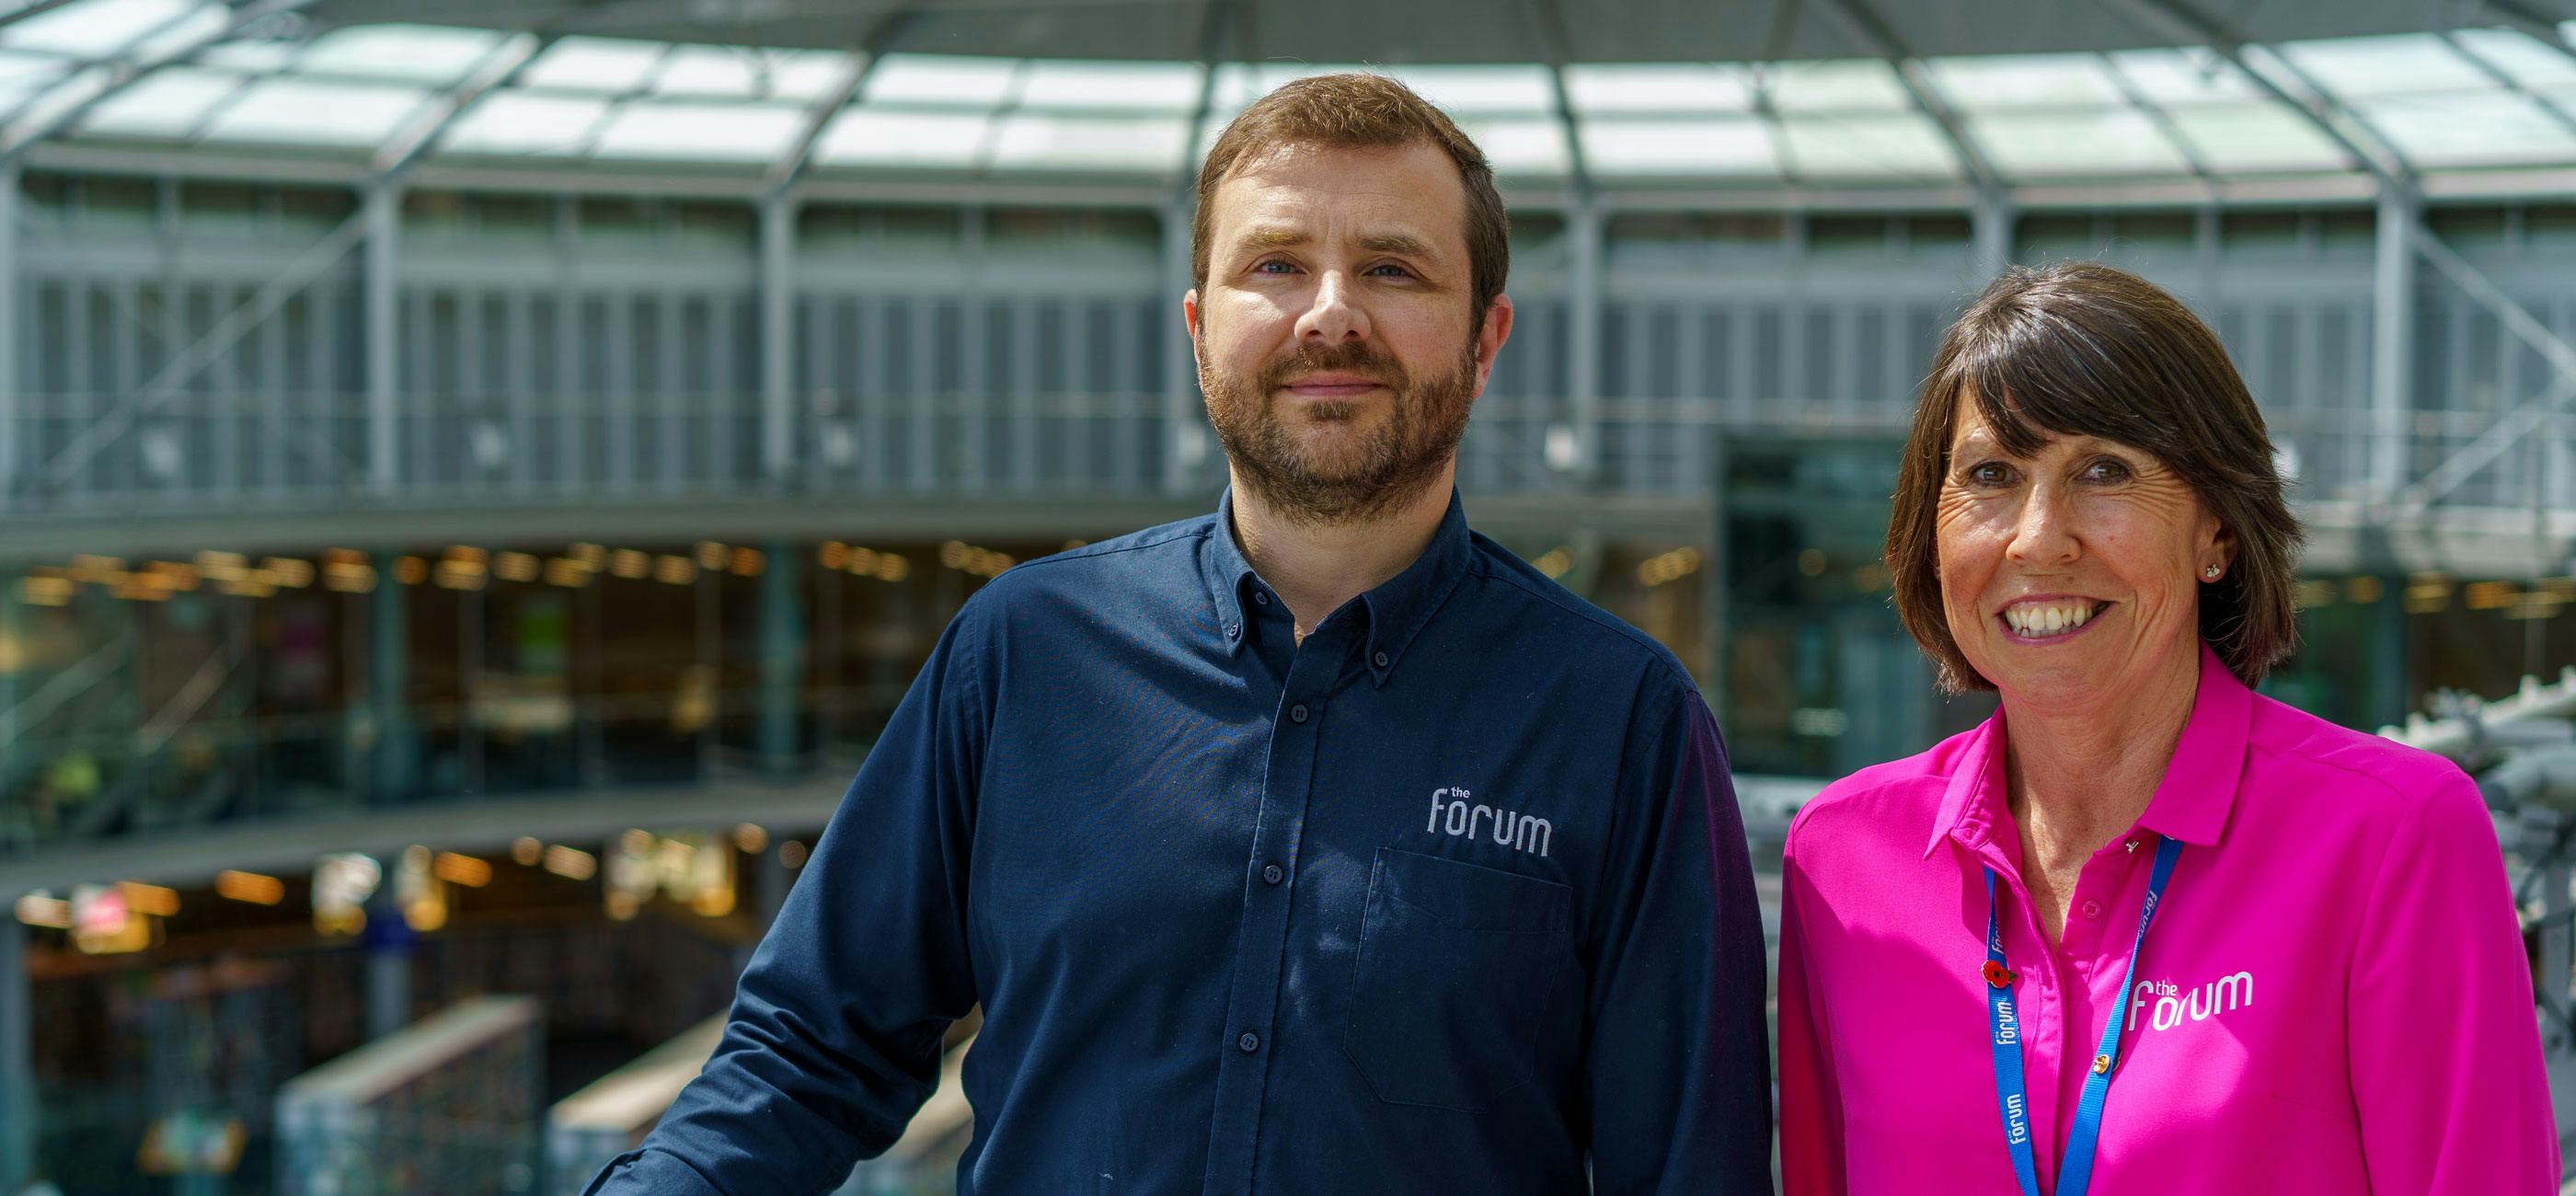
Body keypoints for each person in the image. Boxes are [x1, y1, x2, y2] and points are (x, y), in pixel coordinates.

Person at [588, 73, 1771, 1195]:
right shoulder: (1024, 653)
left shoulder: (1621, 719)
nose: (1331, 314)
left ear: (1486, 337)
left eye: (1394, 268)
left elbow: (1686, 1166)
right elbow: (809, 1048)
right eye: (1276, 264)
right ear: (1200, 327)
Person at [1776, 262, 2559, 1193]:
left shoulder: (2392, 838)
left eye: (2102, 470)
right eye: (1991, 475)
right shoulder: (1840, 862)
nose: (2037, 537)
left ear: (2216, 532)